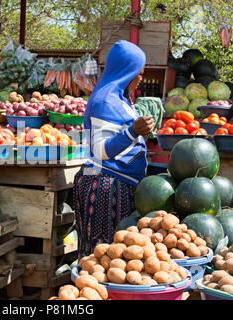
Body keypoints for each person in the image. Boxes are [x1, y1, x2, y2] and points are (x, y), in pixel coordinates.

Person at [73, 40, 155, 257]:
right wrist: (133, 131)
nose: (141, 78)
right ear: (126, 71)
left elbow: (123, 144)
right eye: (139, 72)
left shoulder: (122, 99)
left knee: (115, 258)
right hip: (104, 188)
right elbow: (100, 150)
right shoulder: (104, 101)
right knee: (100, 258)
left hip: (118, 184)